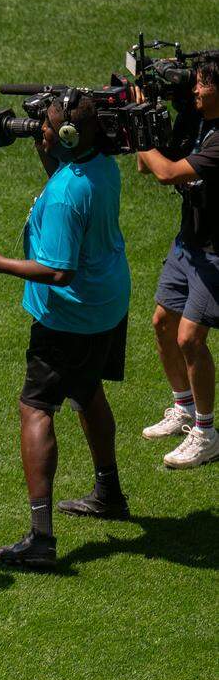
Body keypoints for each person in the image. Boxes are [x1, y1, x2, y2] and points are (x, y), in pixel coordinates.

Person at [0, 90, 131, 568]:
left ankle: (41, 539)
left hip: (70, 317)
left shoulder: (64, 194)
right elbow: (68, 188)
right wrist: (49, 153)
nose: (36, 129)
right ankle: (109, 493)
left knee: (36, 408)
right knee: (88, 390)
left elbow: (58, 271)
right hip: (108, 302)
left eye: (45, 127)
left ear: (67, 136)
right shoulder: (101, 165)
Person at [135, 54, 219, 469]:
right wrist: (144, 118)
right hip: (189, 242)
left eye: (204, 84)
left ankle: (205, 433)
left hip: (216, 253)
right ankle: (183, 409)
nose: (195, 90)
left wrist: (140, 141)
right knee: (163, 324)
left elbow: (166, 172)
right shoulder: (195, 118)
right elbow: (144, 168)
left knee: (190, 339)